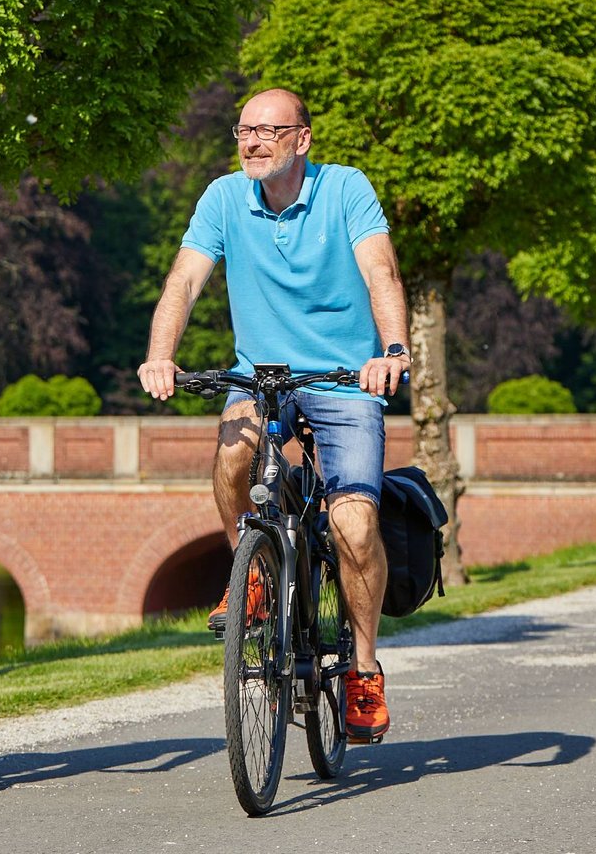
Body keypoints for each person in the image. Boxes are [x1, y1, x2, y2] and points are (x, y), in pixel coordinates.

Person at [136, 88, 410, 744]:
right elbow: (184, 282)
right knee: (234, 454)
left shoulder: (345, 190)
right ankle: (250, 573)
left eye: (270, 131)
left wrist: (392, 350)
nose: (253, 142)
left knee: (353, 521)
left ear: (303, 139)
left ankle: (364, 668)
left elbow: (382, 274)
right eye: (245, 131)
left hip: (346, 383)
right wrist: (159, 355)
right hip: (264, 380)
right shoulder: (224, 198)